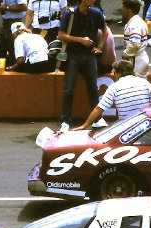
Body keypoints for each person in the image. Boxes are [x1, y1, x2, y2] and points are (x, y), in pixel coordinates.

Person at [58, 0, 109, 131]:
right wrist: (80, 40)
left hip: (90, 55)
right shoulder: (70, 13)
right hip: (73, 54)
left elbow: (105, 31)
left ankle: (97, 119)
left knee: (93, 87)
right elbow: (61, 35)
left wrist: (99, 47)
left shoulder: (96, 13)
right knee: (69, 88)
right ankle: (65, 120)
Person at [73, 59, 151, 130]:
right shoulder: (144, 82)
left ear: (118, 73)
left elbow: (98, 109)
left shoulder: (114, 87)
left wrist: (84, 125)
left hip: (126, 127)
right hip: (146, 124)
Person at [122, 0, 149, 78]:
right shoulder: (137, 21)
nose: (122, 9)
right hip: (138, 60)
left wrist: (125, 54)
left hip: (136, 61)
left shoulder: (135, 25)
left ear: (129, 9)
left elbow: (134, 43)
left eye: (123, 7)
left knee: (136, 85)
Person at [0, 0, 27, 66]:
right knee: (0, 52)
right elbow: (0, 7)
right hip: (5, 23)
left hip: (15, 23)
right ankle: (5, 71)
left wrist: (7, 8)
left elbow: (24, 7)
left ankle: (15, 72)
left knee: (14, 51)